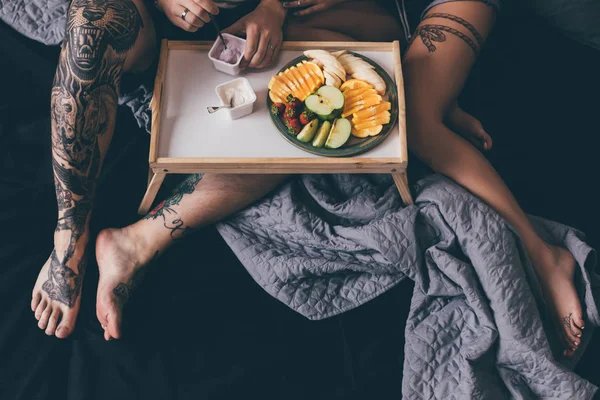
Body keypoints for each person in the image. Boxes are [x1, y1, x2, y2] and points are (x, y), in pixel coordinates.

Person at [33, 0, 584, 360]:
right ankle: (93, 242)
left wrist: (436, 94)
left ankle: (542, 253)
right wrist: (272, 10)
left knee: (415, 120)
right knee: (287, 78)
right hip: (355, 16)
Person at [30, 0, 401, 339]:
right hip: (152, 20)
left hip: (266, 20)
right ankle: (70, 236)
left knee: (305, 105)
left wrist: (275, 8)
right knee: (90, 17)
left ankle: (136, 242)